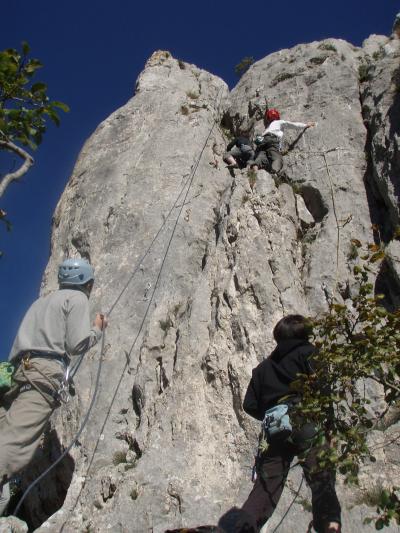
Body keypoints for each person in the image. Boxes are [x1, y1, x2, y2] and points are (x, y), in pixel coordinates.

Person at [0, 258, 107, 516]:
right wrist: (97, 330)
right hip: (42, 376)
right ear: (86, 282)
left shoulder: (41, 303)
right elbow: (76, 344)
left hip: (14, 375)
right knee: (13, 447)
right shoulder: (76, 299)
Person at [240, 315, 341, 533]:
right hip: (308, 420)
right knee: (321, 481)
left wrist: (274, 414)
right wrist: (330, 427)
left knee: (265, 490)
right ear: (305, 334)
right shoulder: (311, 354)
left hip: (275, 428)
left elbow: (249, 404)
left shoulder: (262, 368)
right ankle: (330, 528)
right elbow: (324, 391)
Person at [249, 109, 315, 175]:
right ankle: (273, 173)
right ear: (277, 117)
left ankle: (255, 169)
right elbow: (292, 125)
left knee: (261, 156)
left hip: (262, 141)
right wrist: (305, 125)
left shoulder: (267, 128)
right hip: (272, 140)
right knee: (278, 159)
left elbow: (261, 139)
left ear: (268, 118)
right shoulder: (279, 122)